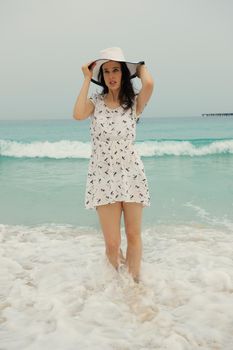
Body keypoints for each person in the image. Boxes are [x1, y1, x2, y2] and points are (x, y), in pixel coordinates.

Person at [73, 47, 154, 283]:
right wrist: (87, 78)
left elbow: (149, 83)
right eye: (106, 71)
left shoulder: (134, 104)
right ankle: (117, 286)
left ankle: (134, 286)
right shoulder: (94, 103)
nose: (111, 76)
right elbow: (77, 114)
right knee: (112, 243)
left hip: (131, 173)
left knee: (133, 235)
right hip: (102, 175)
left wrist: (137, 66)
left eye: (116, 70)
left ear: (123, 73)